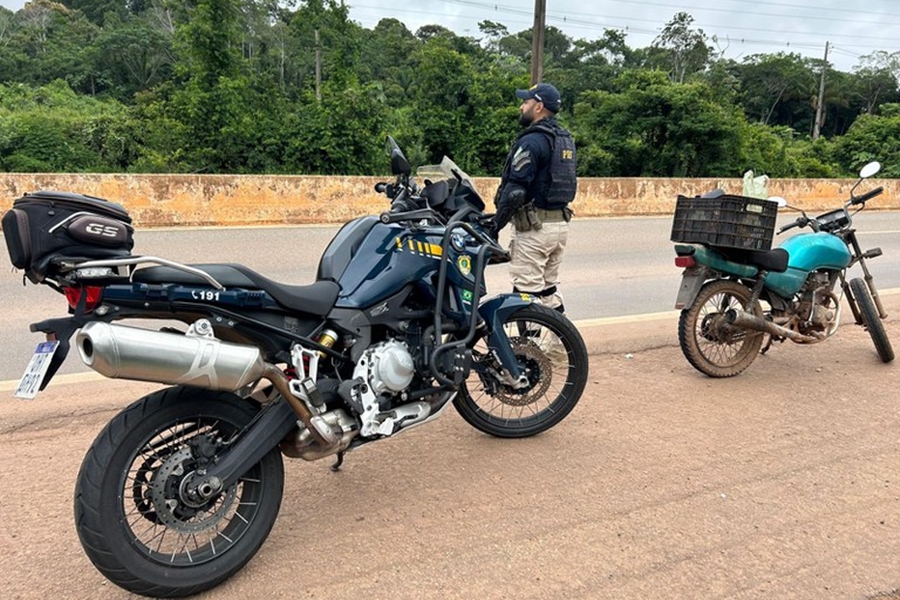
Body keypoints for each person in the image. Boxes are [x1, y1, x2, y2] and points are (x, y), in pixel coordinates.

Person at [491, 82, 577, 314]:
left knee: (524, 295)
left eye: (525, 102)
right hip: (559, 225)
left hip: (534, 230)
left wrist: (495, 226)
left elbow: (515, 192)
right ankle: (560, 336)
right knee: (548, 290)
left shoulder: (533, 141)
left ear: (538, 107)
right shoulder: (564, 139)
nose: (521, 107)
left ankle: (530, 339)